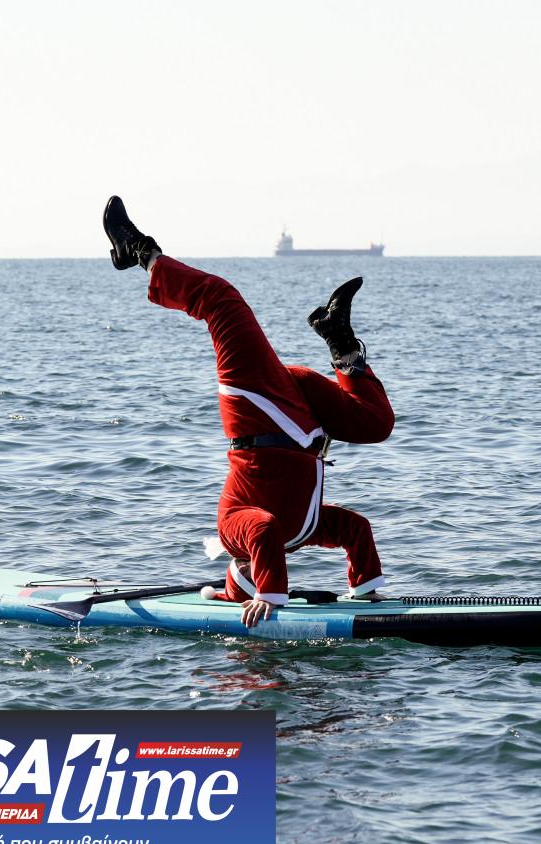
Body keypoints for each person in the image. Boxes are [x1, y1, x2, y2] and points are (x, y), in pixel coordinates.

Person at [102, 195, 395, 627]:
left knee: (221, 301)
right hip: (289, 421)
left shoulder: (242, 530)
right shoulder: (281, 534)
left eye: (247, 577)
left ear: (242, 568)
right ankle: (141, 253)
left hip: (255, 408)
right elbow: (306, 534)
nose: (251, 574)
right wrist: (358, 593)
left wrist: (269, 593)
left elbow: (260, 535)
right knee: (374, 425)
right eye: (252, 578)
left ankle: (138, 253)